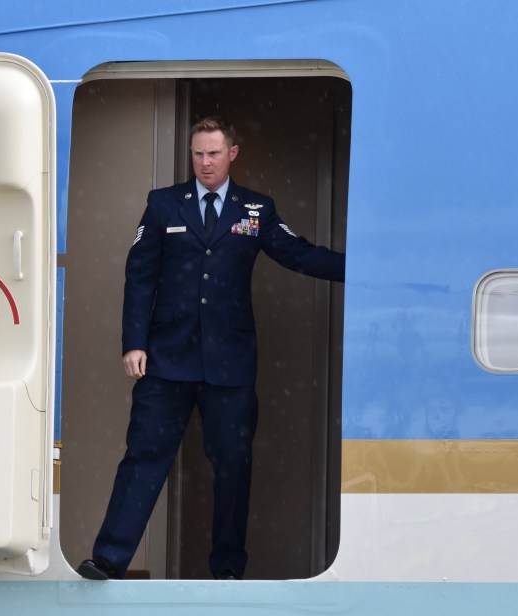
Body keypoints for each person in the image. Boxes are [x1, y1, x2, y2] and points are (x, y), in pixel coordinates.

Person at [77, 116, 344, 581]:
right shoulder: (163, 204)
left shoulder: (255, 209)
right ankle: (109, 559)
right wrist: (134, 343)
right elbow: (139, 277)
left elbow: (298, 253)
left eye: (214, 153)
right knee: (143, 458)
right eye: (198, 153)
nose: (205, 162)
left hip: (230, 363)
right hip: (166, 359)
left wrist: (363, 269)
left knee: (233, 468)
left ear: (232, 154)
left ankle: (227, 569)